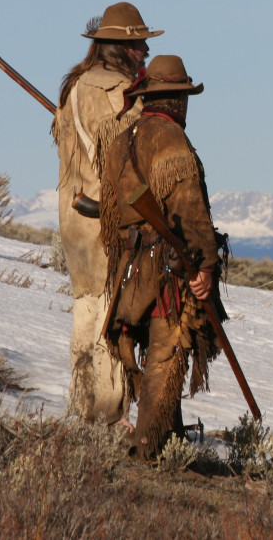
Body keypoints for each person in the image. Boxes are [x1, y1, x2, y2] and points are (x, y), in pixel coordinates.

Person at [98, 54, 226, 460]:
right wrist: (206, 265)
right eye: (183, 97)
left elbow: (111, 216)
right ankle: (148, 451)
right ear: (176, 99)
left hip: (129, 271)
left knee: (156, 357)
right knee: (165, 360)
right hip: (169, 270)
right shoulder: (172, 140)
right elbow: (190, 209)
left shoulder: (121, 141)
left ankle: (168, 443)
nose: (186, 105)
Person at [53, 1, 162, 424]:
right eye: (138, 46)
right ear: (119, 48)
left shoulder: (76, 88)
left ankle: (83, 411)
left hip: (74, 222)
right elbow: (130, 155)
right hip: (107, 222)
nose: (144, 53)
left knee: (87, 310)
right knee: (110, 319)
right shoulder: (114, 91)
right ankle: (106, 416)